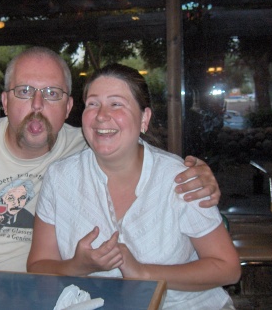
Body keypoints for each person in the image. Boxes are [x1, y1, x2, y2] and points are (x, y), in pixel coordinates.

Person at [0, 47, 222, 307]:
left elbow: (138, 151)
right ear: (5, 102)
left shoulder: (90, 146)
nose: (37, 105)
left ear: (68, 107)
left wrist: (196, 173)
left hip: (58, 296)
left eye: (51, 94)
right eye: (24, 91)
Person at [27, 63, 241, 310]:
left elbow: (228, 268)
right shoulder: (60, 177)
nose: (101, 115)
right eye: (93, 104)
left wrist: (143, 273)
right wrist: (78, 266)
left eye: (116, 104)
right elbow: (38, 265)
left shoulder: (180, 178)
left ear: (144, 118)